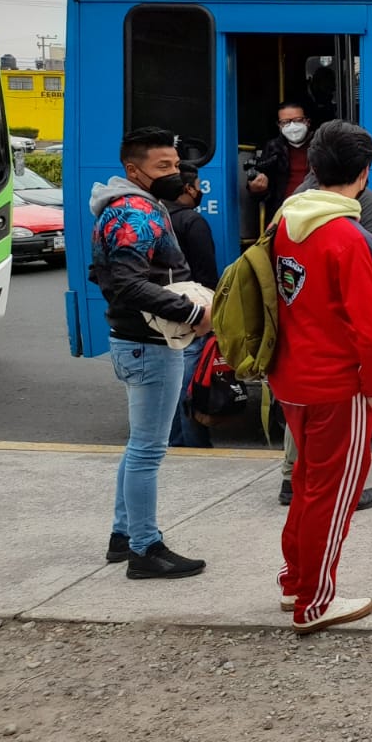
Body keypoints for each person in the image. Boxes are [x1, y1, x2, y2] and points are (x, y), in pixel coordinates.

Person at [270, 120, 372, 633]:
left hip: (291, 378)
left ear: (313, 169)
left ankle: (295, 580)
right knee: (336, 492)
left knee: (306, 483)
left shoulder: (284, 222)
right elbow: (370, 330)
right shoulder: (348, 235)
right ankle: (314, 603)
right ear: (364, 174)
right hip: (338, 386)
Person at [276, 165, 372, 508]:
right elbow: (370, 319)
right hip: (335, 361)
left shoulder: (291, 208)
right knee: (332, 475)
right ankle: (338, 489)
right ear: (363, 171)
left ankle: (293, 476)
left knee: (306, 427)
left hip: (293, 353)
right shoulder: (354, 224)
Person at [91, 128, 211, 579]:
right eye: (163, 166)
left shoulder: (122, 207)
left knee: (138, 447)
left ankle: (123, 536)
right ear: (133, 170)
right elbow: (125, 282)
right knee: (147, 451)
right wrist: (192, 310)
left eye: (176, 165)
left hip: (133, 340)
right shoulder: (137, 212)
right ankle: (145, 549)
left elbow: (104, 275)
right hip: (150, 344)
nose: (174, 173)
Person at [167, 161, 218, 449]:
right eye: (198, 186)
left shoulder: (156, 216)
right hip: (193, 313)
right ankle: (196, 448)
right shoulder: (192, 221)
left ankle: (174, 442)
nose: (200, 191)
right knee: (190, 388)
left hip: (166, 312)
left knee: (172, 389)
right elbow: (206, 275)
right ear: (187, 189)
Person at [247, 100, 315, 221]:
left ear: (307, 122)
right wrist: (256, 188)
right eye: (285, 122)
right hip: (283, 213)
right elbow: (263, 190)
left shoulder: (322, 146)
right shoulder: (273, 147)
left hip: (316, 210)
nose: (292, 126)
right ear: (279, 126)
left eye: (297, 120)